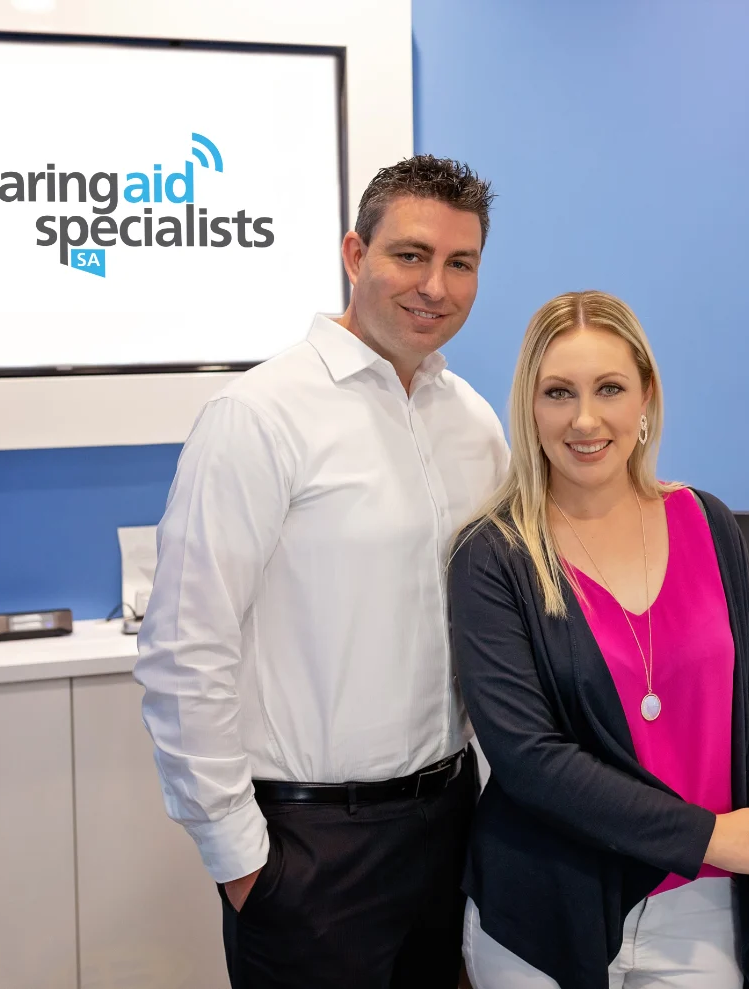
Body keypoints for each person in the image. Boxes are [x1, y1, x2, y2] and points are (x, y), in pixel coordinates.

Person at [134, 155, 508, 989]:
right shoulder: (259, 416)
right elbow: (184, 652)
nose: (435, 287)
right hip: (309, 847)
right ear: (354, 254)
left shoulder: (475, 422)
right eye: (410, 255)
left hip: (450, 823)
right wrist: (242, 863)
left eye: (461, 263)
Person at [448, 290, 749, 989]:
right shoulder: (493, 555)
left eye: (609, 388)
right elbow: (528, 757)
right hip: (547, 908)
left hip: (697, 907)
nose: (585, 418)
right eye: (559, 392)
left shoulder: (707, 521)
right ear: (530, 406)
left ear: (645, 397)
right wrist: (714, 835)